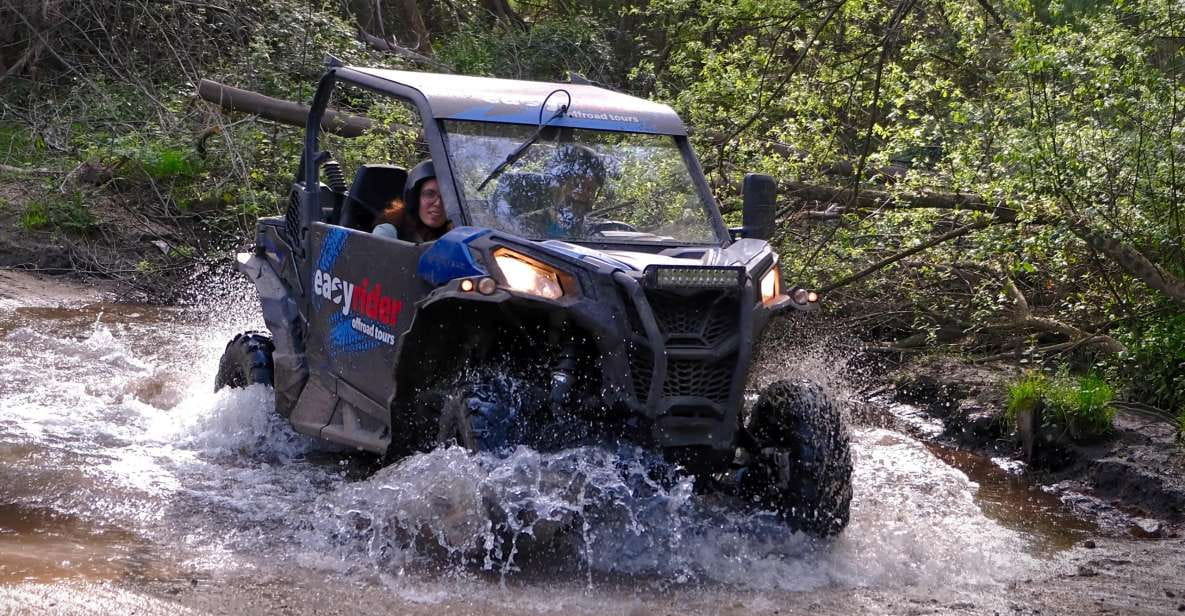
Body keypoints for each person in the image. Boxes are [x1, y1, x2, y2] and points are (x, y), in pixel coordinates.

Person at [530, 144, 606, 238]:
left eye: (590, 189)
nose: (582, 193)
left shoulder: (593, 233)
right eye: (576, 185)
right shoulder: (528, 225)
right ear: (559, 185)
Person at [372, 160, 451, 242]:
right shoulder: (388, 232)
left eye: (446, 196)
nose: (438, 203)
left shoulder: (453, 235)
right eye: (429, 194)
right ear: (415, 199)